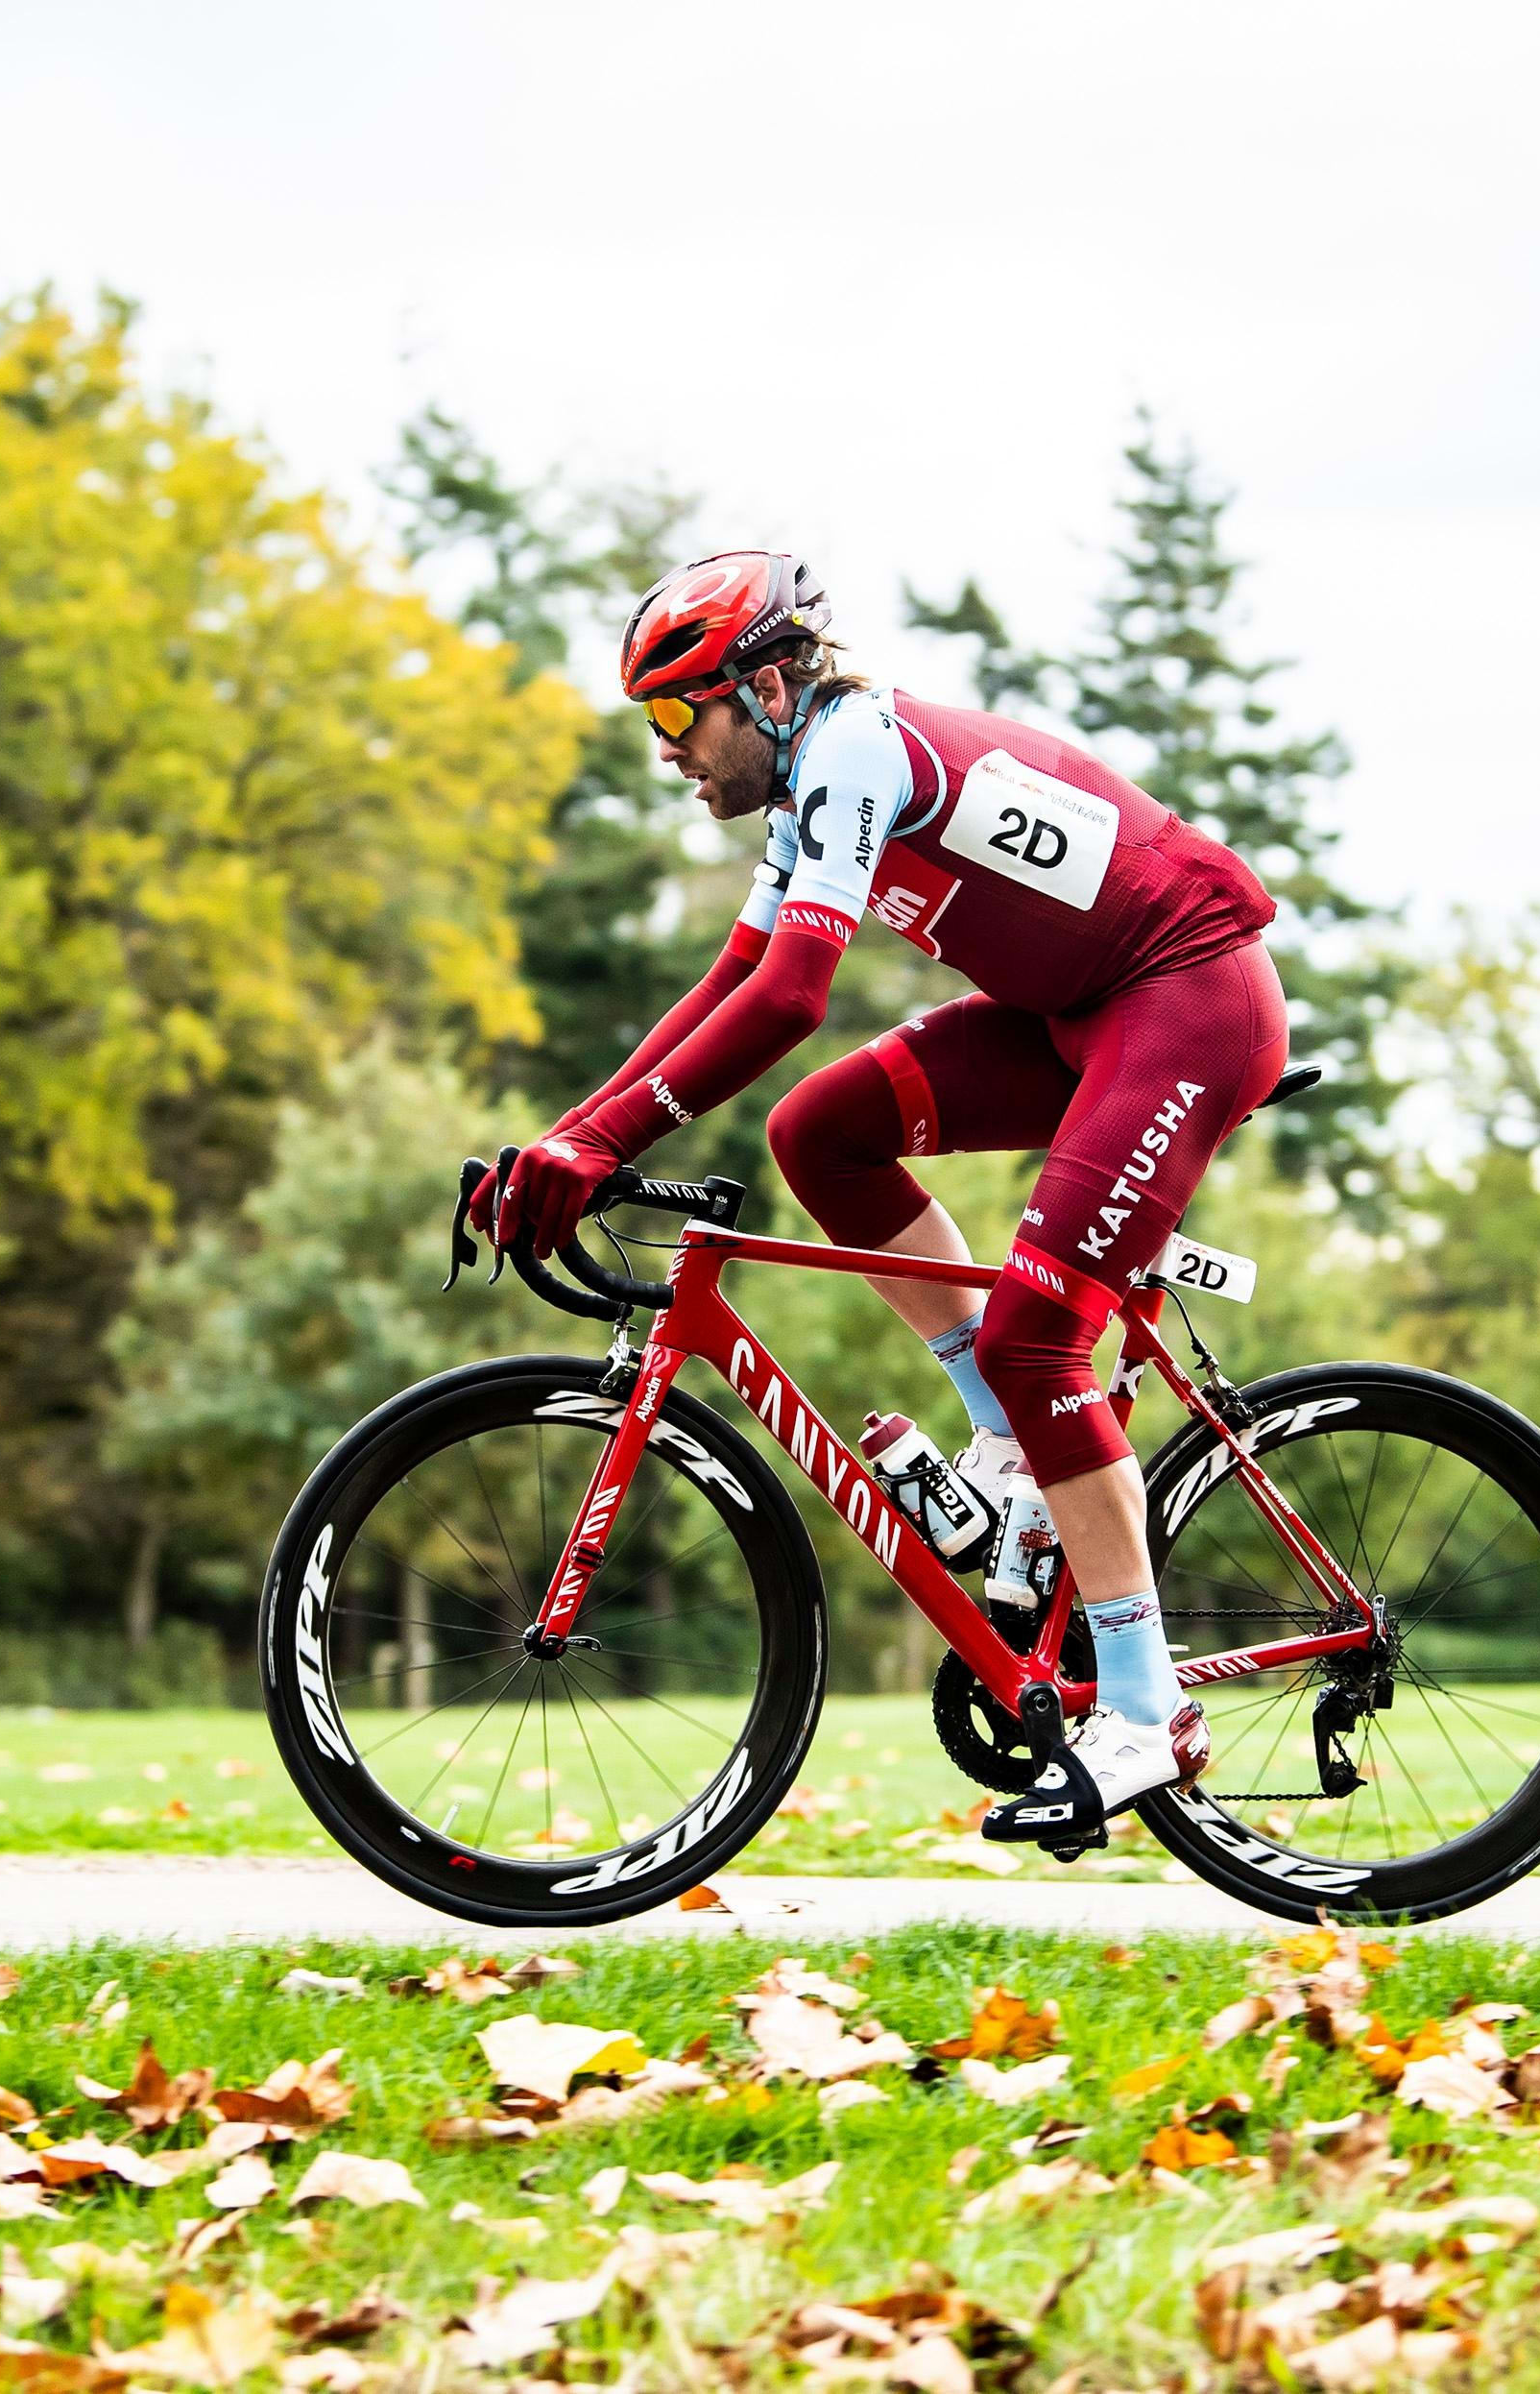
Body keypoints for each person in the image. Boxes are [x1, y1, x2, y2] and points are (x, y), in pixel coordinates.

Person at [476, 550, 1291, 1847]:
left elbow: (795, 1000)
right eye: (653, 721)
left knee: (1039, 1334)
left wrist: (608, 1138)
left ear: (772, 682)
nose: (668, 750)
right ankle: (1011, 1447)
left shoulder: (852, 749)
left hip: (1184, 996)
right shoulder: (808, 786)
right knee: (825, 1135)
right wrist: (567, 1140)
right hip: (1075, 1011)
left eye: (682, 715)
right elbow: (733, 979)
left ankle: (1144, 1712)